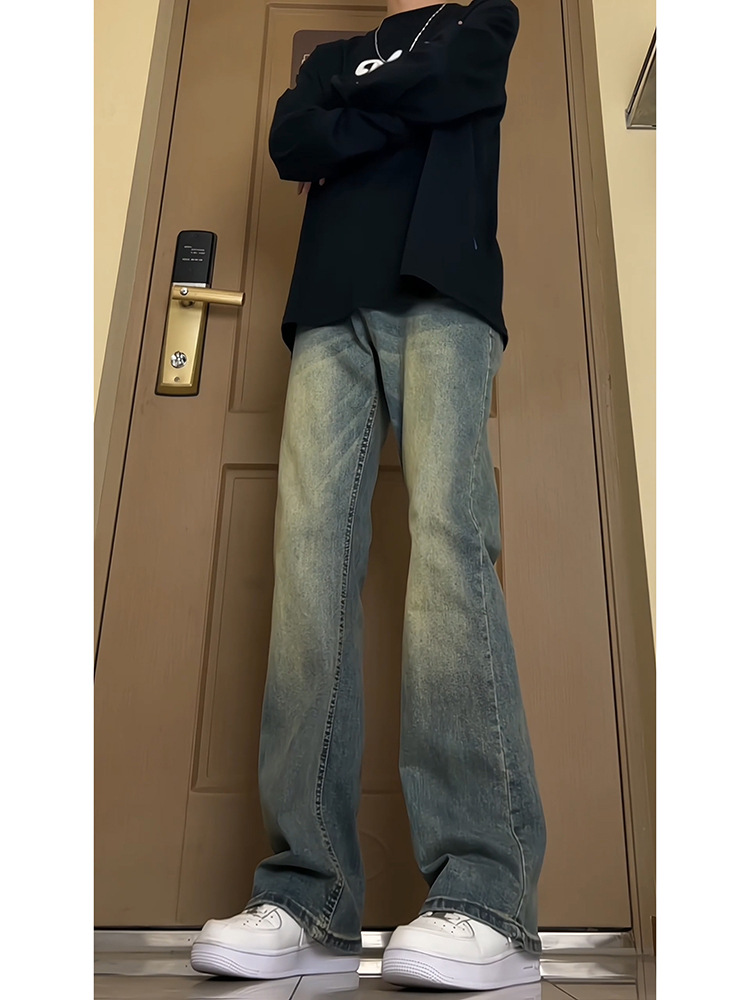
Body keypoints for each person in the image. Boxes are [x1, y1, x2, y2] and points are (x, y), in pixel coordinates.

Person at [191, 0, 546, 991]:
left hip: (446, 294)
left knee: (448, 552)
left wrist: (354, 116)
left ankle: (489, 899)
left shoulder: (481, 21)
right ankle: (307, 900)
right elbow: (292, 140)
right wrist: (390, 104)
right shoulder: (335, 55)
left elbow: (458, 82)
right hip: (325, 307)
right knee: (308, 574)